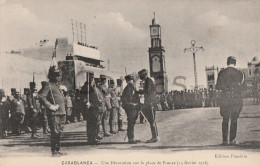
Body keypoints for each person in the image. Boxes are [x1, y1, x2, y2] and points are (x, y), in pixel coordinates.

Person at [38, 66, 67, 156]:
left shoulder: (57, 86)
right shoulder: (48, 85)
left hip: (62, 112)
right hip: (54, 113)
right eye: (56, 75)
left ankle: (58, 149)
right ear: (51, 76)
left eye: (59, 75)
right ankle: (54, 151)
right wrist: (50, 106)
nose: (59, 77)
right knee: (55, 132)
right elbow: (41, 96)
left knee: (59, 132)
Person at [216, 56, 244, 145]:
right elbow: (243, 88)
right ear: (235, 63)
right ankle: (232, 140)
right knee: (234, 119)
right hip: (236, 99)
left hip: (225, 99)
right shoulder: (240, 73)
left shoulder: (221, 73)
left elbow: (218, 87)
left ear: (227, 63)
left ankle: (224, 140)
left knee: (225, 119)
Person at [81, 73, 105, 144]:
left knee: (95, 123)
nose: (92, 78)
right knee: (90, 124)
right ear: (87, 77)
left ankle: (94, 137)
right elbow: (82, 97)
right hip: (90, 108)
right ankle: (91, 139)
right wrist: (86, 102)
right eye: (90, 77)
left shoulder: (94, 87)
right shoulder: (85, 87)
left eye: (92, 77)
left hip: (95, 107)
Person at [136, 69, 159, 143]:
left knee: (151, 121)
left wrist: (138, 91)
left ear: (144, 74)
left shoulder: (148, 81)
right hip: (151, 103)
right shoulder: (148, 80)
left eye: (140, 76)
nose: (140, 78)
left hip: (150, 103)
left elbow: (147, 92)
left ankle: (154, 137)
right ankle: (156, 136)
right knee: (152, 121)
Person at [121, 74, 141, 144]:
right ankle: (131, 138)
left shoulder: (132, 87)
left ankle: (132, 137)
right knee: (131, 123)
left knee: (132, 123)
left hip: (135, 108)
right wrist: (131, 104)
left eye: (132, 80)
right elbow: (124, 100)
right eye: (129, 80)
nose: (131, 81)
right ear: (127, 81)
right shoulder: (127, 89)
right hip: (130, 108)